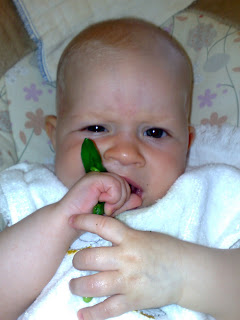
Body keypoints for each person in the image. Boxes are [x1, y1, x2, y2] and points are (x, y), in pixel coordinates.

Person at [0, 17, 239, 320]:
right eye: (97, 127)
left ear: (187, 145)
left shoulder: (206, 198)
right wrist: (59, 222)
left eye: (155, 133)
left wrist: (183, 276)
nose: (125, 153)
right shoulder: (32, 197)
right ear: (54, 136)